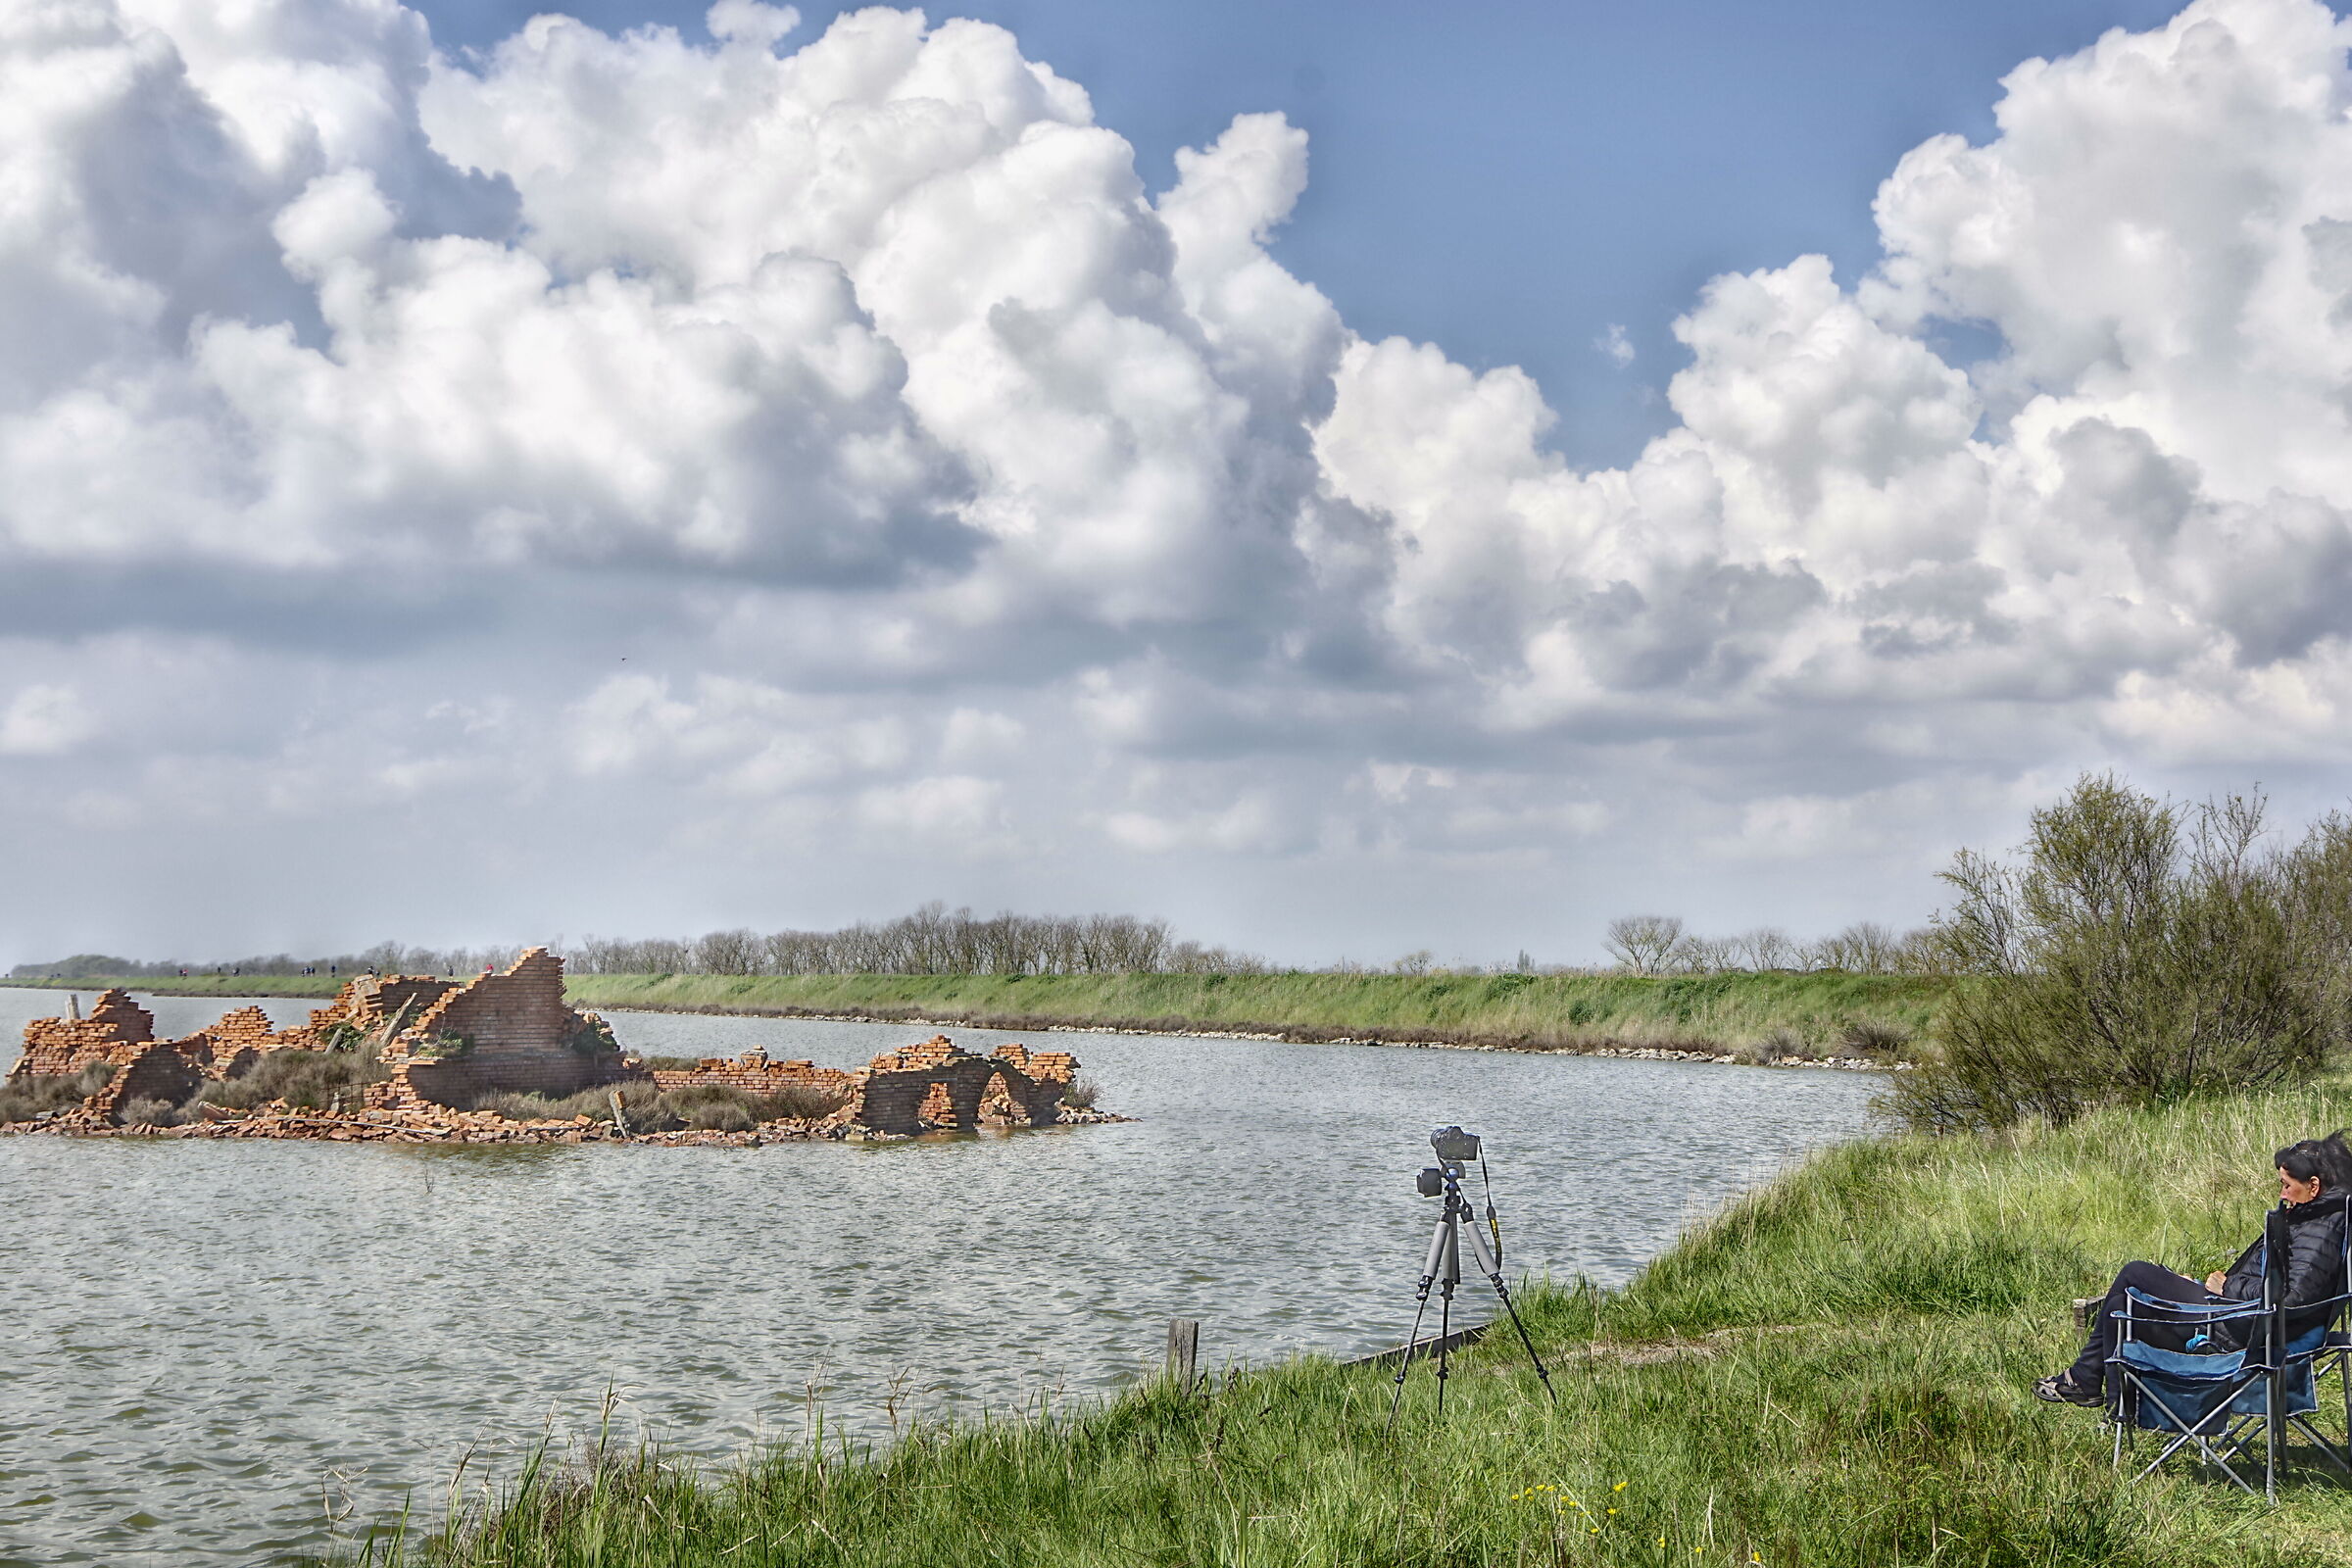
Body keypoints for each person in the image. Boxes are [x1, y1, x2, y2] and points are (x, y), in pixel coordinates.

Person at [2036, 1132, 2352, 1406]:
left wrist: (2226, 1288)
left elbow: (2295, 1298)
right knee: (2122, 1303)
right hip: (2244, 1315)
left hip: (2242, 1325)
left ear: (2313, 1186)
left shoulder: (2321, 1228)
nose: (2282, 1194)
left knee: (2135, 1273)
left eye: (2286, 1186)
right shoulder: (2316, 1217)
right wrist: (2205, 1285)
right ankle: (2110, 1402)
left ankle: (2088, 1384)